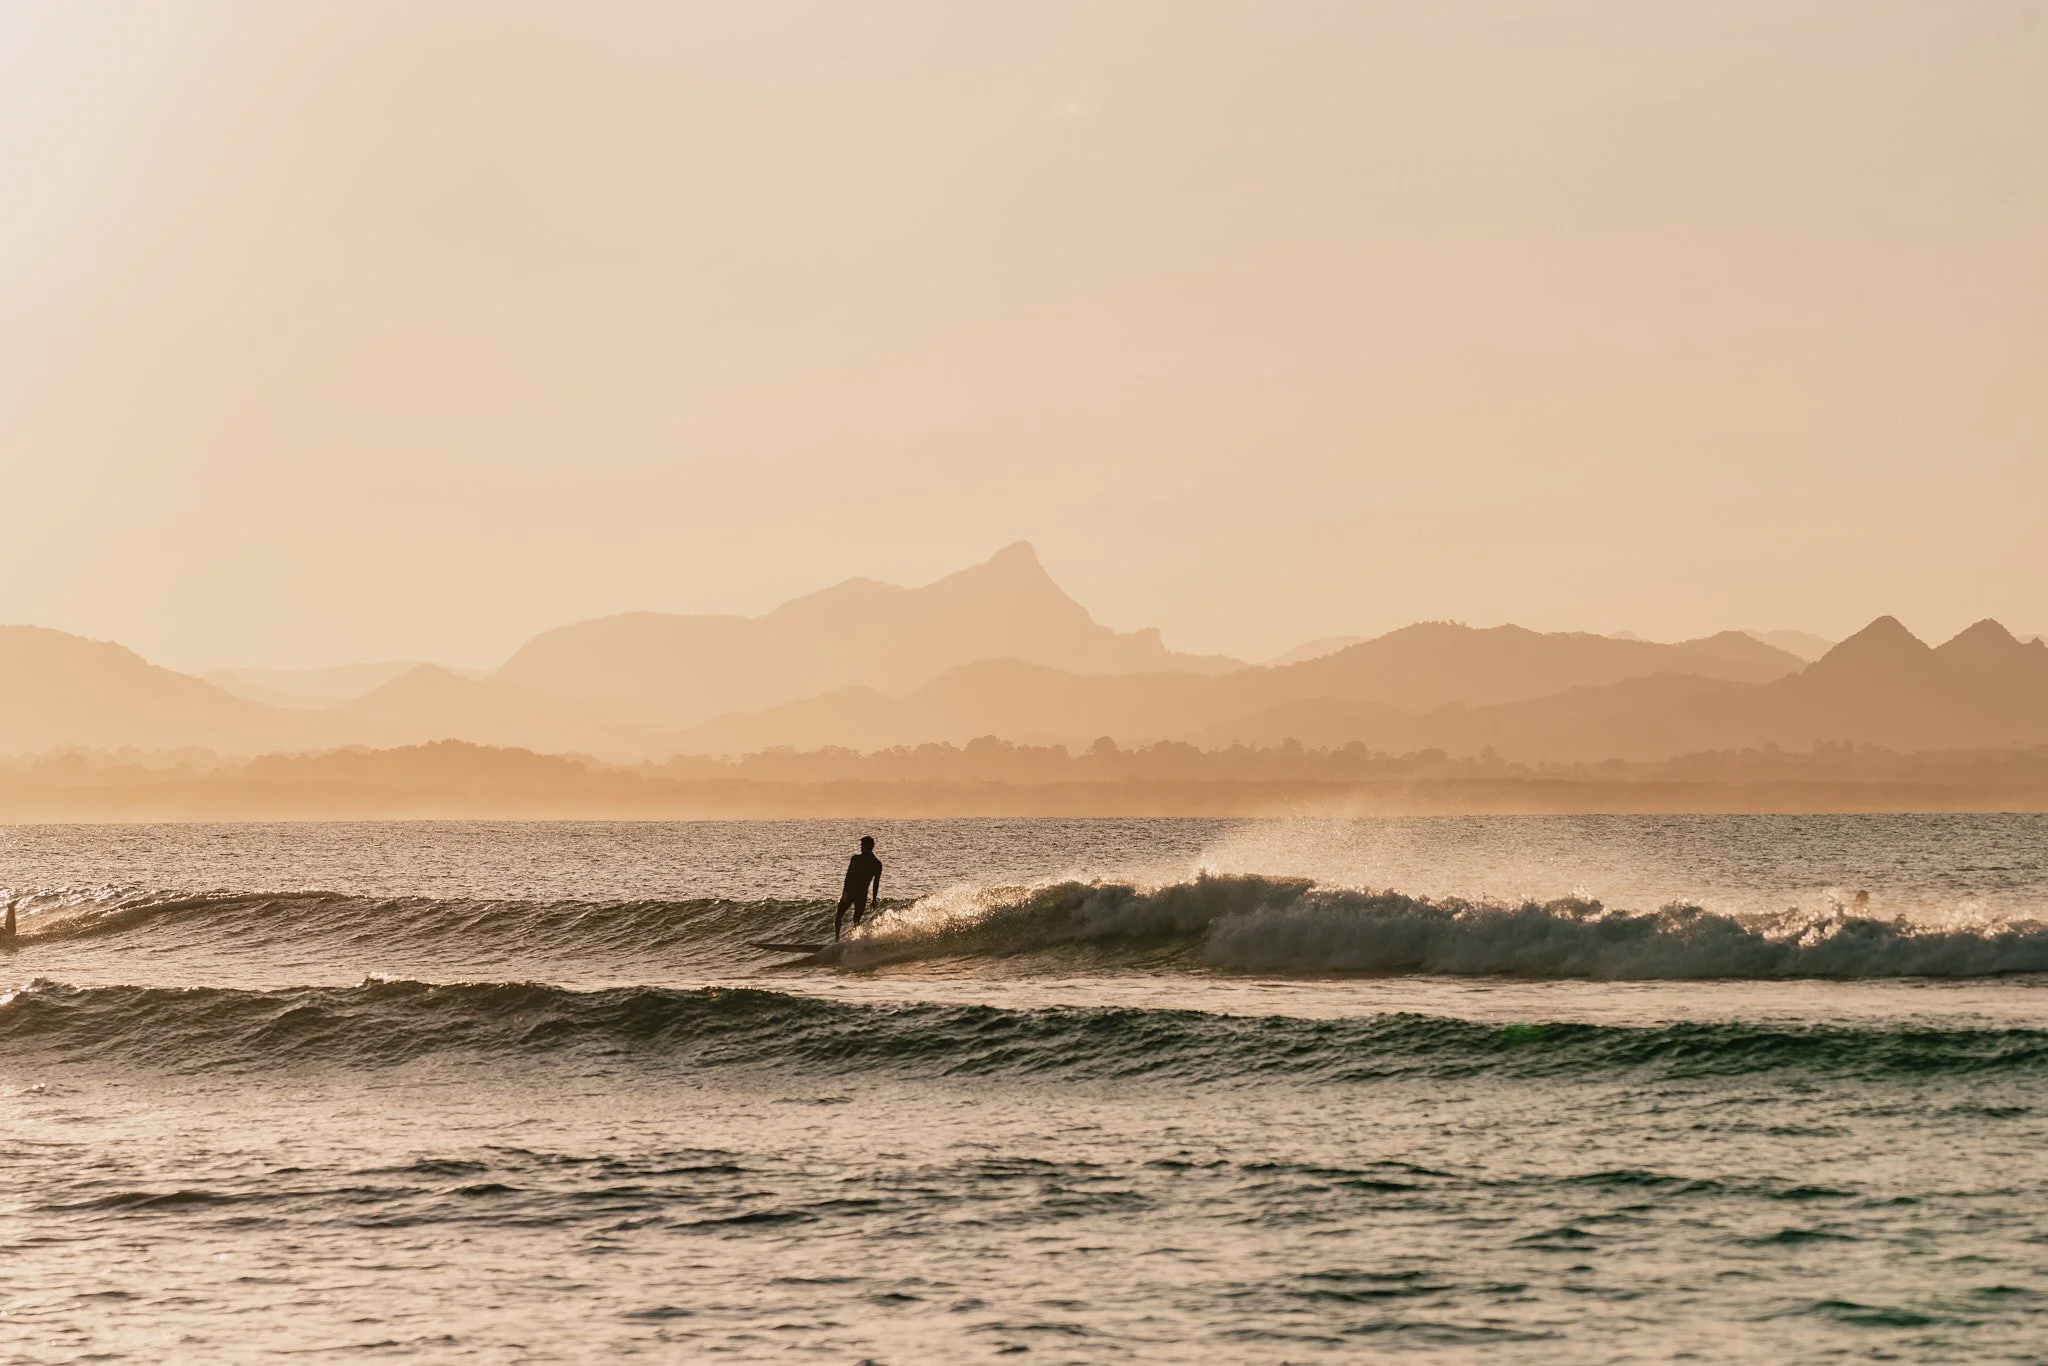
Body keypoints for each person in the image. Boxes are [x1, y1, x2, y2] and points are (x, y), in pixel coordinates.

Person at [836, 835, 882, 941]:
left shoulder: (862, 860)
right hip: (857, 892)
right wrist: (874, 899)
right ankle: (839, 939)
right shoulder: (875, 863)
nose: (861, 847)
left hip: (856, 893)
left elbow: (876, 883)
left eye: (862, 846)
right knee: (846, 916)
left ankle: (849, 940)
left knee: (852, 918)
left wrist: (874, 899)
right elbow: (849, 876)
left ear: (868, 847)